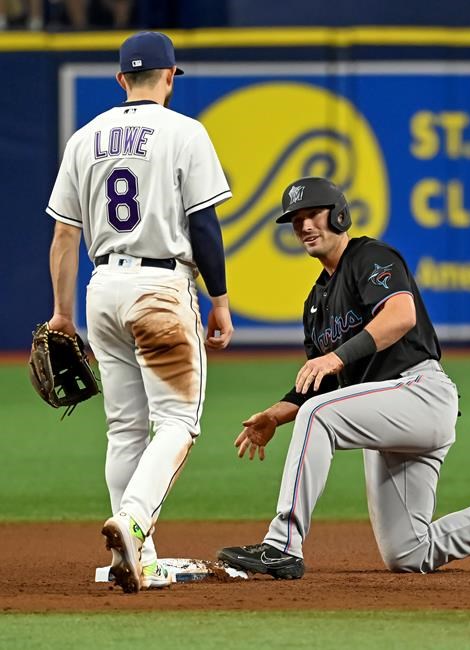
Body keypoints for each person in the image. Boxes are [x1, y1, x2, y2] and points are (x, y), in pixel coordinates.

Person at [218, 176, 470, 580]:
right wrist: (274, 415)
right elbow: (321, 382)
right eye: (296, 220)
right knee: (408, 553)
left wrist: (335, 357)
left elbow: (401, 316)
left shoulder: (368, 256)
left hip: (421, 393)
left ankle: (282, 546)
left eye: (312, 214)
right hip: (388, 413)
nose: (305, 226)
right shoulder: (315, 304)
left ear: (339, 215)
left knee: (318, 415)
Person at [46, 31, 233, 592]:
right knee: (177, 421)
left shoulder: (85, 138)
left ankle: (140, 558)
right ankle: (132, 523)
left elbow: (63, 235)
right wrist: (219, 299)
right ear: (170, 77)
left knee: (124, 428)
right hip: (160, 285)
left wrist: (61, 315)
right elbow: (203, 223)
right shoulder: (185, 132)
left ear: (120, 79)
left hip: (102, 286)